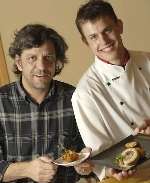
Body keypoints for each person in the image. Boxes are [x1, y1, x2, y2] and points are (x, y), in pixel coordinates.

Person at [0, 23, 90, 183]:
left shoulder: (76, 98)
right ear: (19, 63)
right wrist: (28, 169)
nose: (41, 66)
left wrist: (85, 164)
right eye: (32, 58)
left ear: (57, 62)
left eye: (48, 58)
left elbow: (86, 151)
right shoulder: (1, 101)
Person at [72, 0, 150, 181]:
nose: (104, 41)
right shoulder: (85, 94)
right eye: (93, 37)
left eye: (107, 30)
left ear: (119, 26)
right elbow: (102, 159)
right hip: (132, 176)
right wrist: (110, 169)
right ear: (85, 42)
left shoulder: (147, 60)